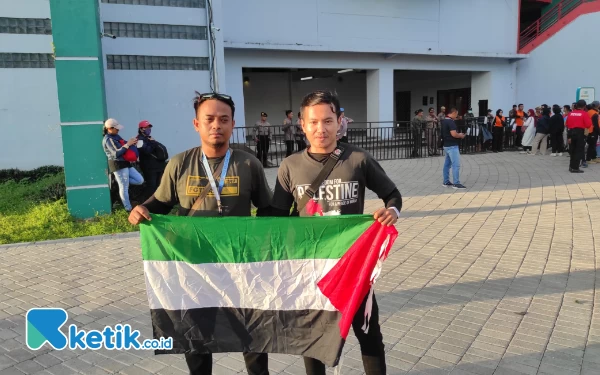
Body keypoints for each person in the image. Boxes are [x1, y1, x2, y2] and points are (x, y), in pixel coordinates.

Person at [128, 92, 271, 375]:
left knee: (251, 333)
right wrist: (140, 209)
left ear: (232, 124)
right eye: (209, 119)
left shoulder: (248, 163)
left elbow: (267, 210)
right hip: (193, 265)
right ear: (197, 124)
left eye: (223, 119)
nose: (216, 125)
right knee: (197, 335)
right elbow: (161, 202)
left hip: (239, 263)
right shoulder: (180, 163)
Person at [269, 90, 401, 375]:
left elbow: (392, 194)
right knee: (313, 337)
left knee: (369, 335)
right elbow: (278, 218)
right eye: (313, 122)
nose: (321, 129)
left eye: (328, 121)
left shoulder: (358, 159)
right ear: (302, 125)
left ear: (340, 121)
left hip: (354, 268)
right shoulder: (290, 166)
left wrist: (392, 211)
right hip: (311, 270)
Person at [102, 118, 144, 212]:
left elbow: (124, 144)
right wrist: (128, 144)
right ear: (109, 128)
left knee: (139, 180)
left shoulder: (116, 136)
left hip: (125, 162)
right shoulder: (108, 139)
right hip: (117, 164)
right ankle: (128, 208)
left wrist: (132, 142)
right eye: (116, 128)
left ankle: (120, 181)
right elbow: (116, 153)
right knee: (124, 187)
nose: (118, 130)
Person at [136, 120, 168, 195]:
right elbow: (147, 151)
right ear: (141, 129)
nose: (148, 129)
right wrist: (153, 142)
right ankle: (148, 203)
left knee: (158, 186)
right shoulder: (139, 140)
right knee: (151, 186)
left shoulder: (149, 138)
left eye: (149, 127)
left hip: (158, 166)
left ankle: (157, 202)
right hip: (149, 168)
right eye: (146, 127)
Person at [441, 108, 467, 189]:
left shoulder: (444, 121)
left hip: (446, 145)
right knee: (456, 165)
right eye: (456, 114)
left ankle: (446, 181)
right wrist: (460, 135)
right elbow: (454, 134)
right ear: (454, 113)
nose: (457, 116)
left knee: (447, 164)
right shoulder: (451, 122)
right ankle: (456, 183)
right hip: (452, 145)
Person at [566, 99, 592, 173]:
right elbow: (588, 124)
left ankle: (571, 167)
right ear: (584, 106)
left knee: (572, 150)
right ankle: (575, 168)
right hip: (579, 133)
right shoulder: (584, 113)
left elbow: (567, 123)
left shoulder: (571, 113)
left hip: (570, 132)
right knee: (579, 150)